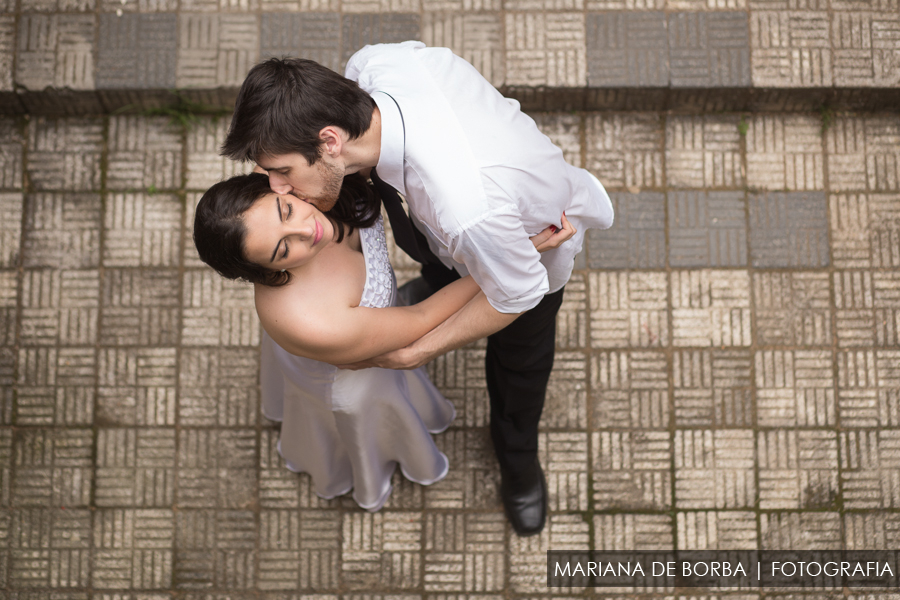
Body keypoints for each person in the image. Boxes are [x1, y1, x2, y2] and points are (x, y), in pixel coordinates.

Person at [221, 43, 614, 535]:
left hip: (524, 257)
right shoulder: (379, 65)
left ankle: (517, 459)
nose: (276, 186)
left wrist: (419, 350)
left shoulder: (467, 212)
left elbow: (516, 292)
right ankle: (436, 279)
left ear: (329, 140)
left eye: (282, 171)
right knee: (438, 267)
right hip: (452, 237)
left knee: (521, 362)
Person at [193, 172, 573, 512]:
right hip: (356, 370)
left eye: (286, 210)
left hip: (372, 322)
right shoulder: (316, 322)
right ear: (267, 272)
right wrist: (505, 257)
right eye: (283, 250)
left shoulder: (292, 171)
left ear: (276, 184)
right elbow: (419, 319)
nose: (307, 231)